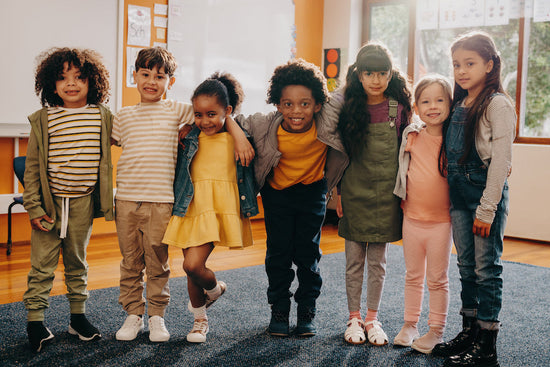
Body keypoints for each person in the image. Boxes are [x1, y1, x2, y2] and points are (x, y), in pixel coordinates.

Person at [112, 48, 254, 343]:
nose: (152, 81)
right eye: (145, 74)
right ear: (134, 76)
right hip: (153, 202)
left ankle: (158, 316)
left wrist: (237, 133)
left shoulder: (180, 111)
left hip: (173, 202)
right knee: (134, 262)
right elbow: (104, 145)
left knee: (161, 263)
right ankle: (137, 314)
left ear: (170, 81)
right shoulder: (124, 116)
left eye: (160, 76)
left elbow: (217, 113)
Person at [234, 59, 348, 337]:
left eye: (304, 104)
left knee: (308, 254)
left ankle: (307, 309)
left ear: (318, 105)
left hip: (312, 193)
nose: (296, 111)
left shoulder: (326, 119)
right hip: (277, 195)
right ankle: (280, 309)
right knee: (279, 254)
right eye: (288, 104)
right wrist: (236, 133)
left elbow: (347, 89)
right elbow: (228, 117)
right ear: (277, 104)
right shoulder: (264, 125)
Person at [432, 31, 515, 367]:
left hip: (484, 198)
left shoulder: (498, 103)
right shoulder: (458, 103)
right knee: (466, 268)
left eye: (469, 63)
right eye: (456, 65)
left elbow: (501, 163)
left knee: (486, 269)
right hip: (458, 196)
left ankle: (486, 343)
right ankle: (468, 331)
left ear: (489, 64)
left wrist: (487, 208)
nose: (461, 71)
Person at [23, 47, 113, 352]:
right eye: (62, 78)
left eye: (78, 77)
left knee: (78, 262)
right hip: (48, 205)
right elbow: (33, 168)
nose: (71, 84)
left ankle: (78, 318)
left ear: (92, 82)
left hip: (82, 204)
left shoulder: (102, 116)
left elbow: (132, 135)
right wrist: (33, 206)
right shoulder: (44, 119)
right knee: (42, 265)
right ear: (51, 84)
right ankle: (35, 320)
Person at [162, 72, 258, 343]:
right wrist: (188, 127)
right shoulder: (191, 136)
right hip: (190, 204)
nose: (205, 121)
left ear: (227, 111)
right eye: (199, 115)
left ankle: (214, 289)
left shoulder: (237, 136)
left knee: (193, 264)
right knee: (191, 268)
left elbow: (248, 146)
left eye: (212, 114)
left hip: (217, 208)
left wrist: (233, 127)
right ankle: (200, 321)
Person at [329, 42, 412, 346]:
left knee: (378, 262)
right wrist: (336, 195)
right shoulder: (347, 107)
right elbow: (340, 155)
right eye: (369, 73)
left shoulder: (398, 108)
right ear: (358, 75)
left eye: (382, 73)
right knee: (353, 260)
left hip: (387, 194)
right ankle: (353, 317)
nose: (376, 80)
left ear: (391, 74)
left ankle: (373, 318)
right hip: (353, 191)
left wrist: (406, 193)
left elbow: (407, 154)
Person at [392, 74, 453, 353]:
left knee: (438, 280)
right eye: (426, 101)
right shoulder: (412, 135)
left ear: (450, 103)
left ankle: (436, 330)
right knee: (413, 275)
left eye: (440, 100)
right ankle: (410, 324)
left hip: (441, 223)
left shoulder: (455, 140)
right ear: (416, 107)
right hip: (412, 219)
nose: (433, 106)